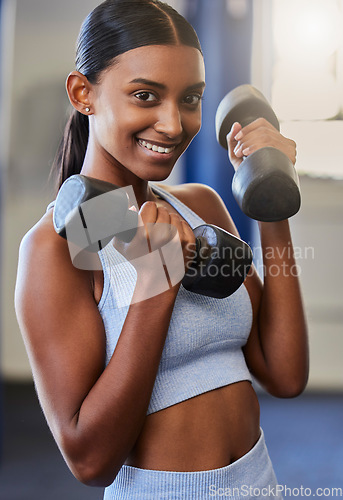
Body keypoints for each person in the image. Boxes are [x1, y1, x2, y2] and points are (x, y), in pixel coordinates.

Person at [14, 0, 309, 498]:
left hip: (259, 484)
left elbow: (284, 374)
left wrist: (273, 203)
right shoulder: (58, 246)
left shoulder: (203, 206)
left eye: (190, 98)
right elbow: (90, 460)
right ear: (83, 93)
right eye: (145, 95)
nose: (173, 125)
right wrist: (154, 288)